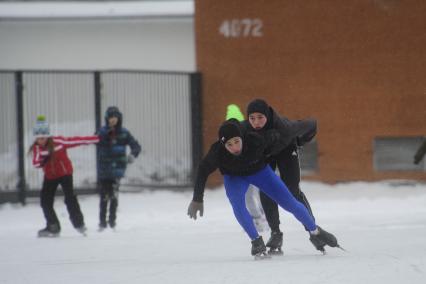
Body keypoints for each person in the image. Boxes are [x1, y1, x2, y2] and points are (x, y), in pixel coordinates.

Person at [187, 119, 339, 258]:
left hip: (259, 172)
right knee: (237, 205)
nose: (234, 147)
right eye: (229, 145)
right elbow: (202, 171)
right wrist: (197, 199)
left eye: (236, 141)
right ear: (223, 145)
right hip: (234, 178)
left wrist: (298, 137)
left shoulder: (255, 140)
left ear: (243, 138)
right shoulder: (217, 152)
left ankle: (315, 231)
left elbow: (279, 135)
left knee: (289, 202)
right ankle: (256, 242)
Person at [242, 98, 319, 254]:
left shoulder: (285, 127)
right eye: (252, 118)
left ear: (267, 117)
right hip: (266, 154)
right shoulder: (246, 130)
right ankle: (276, 233)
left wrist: (300, 141)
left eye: (260, 118)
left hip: (286, 149)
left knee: (292, 190)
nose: (256, 122)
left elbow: (312, 124)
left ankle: (313, 230)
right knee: (265, 189)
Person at [30, 115, 99, 237]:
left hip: (65, 174)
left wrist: (96, 139)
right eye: (38, 138)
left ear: (48, 136)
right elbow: (35, 163)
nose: (41, 140)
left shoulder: (59, 142)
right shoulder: (37, 148)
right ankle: (53, 226)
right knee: (45, 201)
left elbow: (77, 140)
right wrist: (43, 160)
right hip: (50, 176)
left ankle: (79, 224)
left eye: (43, 137)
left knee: (70, 198)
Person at [96, 106, 141, 230]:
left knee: (114, 196)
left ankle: (112, 221)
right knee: (104, 196)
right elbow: (96, 140)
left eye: (115, 117)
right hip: (104, 170)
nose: (112, 120)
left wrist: (133, 154)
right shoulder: (102, 132)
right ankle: (102, 222)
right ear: (107, 119)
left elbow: (135, 145)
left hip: (117, 171)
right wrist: (106, 135)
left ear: (119, 118)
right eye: (110, 117)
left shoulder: (124, 133)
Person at [226, 103, 268, 232]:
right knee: (254, 194)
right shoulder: (233, 137)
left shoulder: (246, 136)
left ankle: (258, 218)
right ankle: (261, 217)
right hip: (247, 172)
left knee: (251, 195)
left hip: (250, 171)